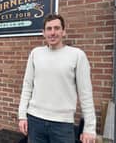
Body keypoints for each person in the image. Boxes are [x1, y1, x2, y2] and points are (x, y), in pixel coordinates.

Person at [18, 14, 96, 143]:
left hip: (62, 125)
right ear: (43, 33)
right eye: (49, 29)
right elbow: (27, 86)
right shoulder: (35, 53)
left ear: (63, 31)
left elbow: (85, 93)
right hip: (35, 121)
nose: (52, 33)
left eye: (56, 28)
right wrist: (22, 116)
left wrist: (89, 128)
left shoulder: (77, 55)